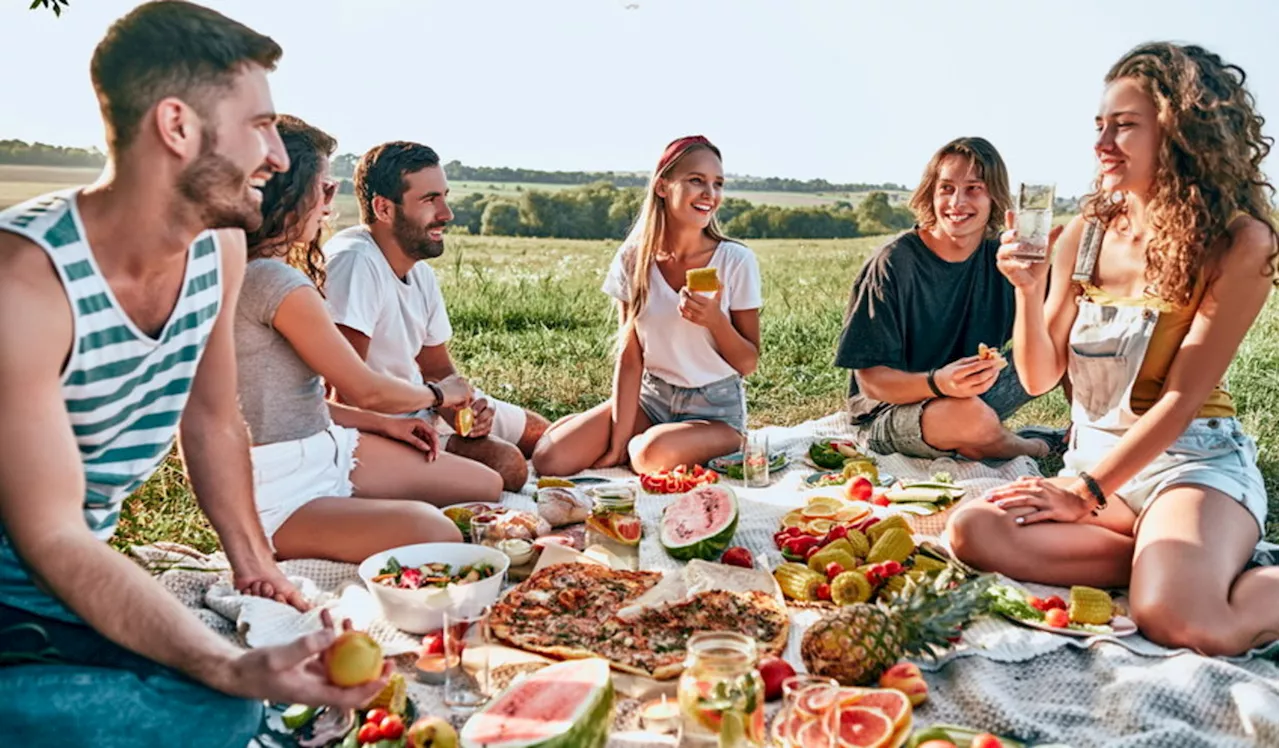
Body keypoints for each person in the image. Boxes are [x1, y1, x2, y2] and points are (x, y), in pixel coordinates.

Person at [0, 2, 389, 745]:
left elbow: (210, 419)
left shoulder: (219, 249)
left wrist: (254, 563)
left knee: (222, 699)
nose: (278, 156)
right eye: (261, 126)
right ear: (176, 126)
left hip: (59, 587)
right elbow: (49, 535)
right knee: (223, 701)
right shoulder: (25, 282)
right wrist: (226, 666)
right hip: (21, 592)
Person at [946, 42, 1279, 657]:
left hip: (1190, 466)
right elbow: (1040, 374)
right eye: (1100, 125)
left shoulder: (1240, 241)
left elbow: (1181, 400)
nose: (1102, 143)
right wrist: (1026, 287)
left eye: (1124, 126)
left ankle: (1186, 571)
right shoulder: (1087, 231)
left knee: (1182, 622)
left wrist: (1084, 493)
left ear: (1182, 132)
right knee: (974, 531)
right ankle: (1167, 561)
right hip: (1098, 468)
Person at [238, 115, 504, 562]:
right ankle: (345, 521)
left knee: (488, 485)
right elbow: (363, 387)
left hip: (325, 448)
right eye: (323, 188)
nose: (330, 201)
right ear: (288, 192)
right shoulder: (276, 284)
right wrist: (439, 395)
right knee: (438, 531)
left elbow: (297, 399)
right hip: (282, 485)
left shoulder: (261, 272)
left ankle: (361, 515)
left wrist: (387, 426)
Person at [323, 142, 548, 492]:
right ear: (384, 208)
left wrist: (467, 416)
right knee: (510, 467)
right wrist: (438, 400)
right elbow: (346, 394)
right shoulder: (355, 263)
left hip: (424, 403)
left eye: (444, 196)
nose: (446, 213)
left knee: (546, 437)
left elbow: (438, 369)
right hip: (381, 427)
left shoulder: (419, 270)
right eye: (429, 200)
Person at [532, 136, 763, 476]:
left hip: (713, 411)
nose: (710, 194)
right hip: (651, 401)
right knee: (550, 460)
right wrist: (615, 444)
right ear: (662, 187)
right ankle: (630, 438)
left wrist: (715, 321)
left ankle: (725, 445)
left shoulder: (736, 260)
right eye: (696, 180)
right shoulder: (633, 259)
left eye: (717, 184)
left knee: (646, 455)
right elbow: (630, 356)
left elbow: (748, 362)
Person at [834, 137, 1058, 461]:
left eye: (973, 188)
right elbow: (871, 383)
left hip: (975, 390)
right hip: (894, 412)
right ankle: (1038, 446)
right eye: (947, 188)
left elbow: (1055, 328)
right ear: (931, 193)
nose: (957, 202)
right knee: (968, 419)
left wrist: (1036, 286)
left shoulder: (1003, 259)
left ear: (994, 197)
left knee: (1066, 339)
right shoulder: (893, 263)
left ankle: (1087, 437)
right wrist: (939, 383)